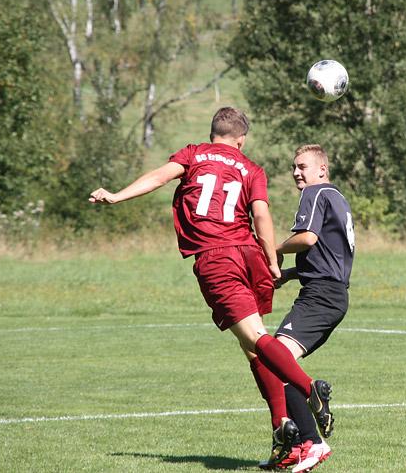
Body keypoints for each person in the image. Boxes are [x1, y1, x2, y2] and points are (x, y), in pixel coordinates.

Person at [88, 108, 333, 464]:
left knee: (255, 338)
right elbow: (260, 214)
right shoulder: (251, 169)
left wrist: (116, 196)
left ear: (212, 132)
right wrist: (270, 259)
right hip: (248, 254)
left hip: (217, 257)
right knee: (253, 349)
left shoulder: (194, 154)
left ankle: (310, 389)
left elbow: (158, 178)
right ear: (241, 139)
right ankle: (283, 431)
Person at [260, 144, 355, 473]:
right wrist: (289, 274)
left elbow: (308, 238)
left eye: (303, 166)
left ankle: (311, 442)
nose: (296, 172)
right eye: (294, 167)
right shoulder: (338, 198)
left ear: (322, 169)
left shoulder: (315, 193)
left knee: (276, 359)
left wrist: (275, 248)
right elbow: (328, 256)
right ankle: (297, 446)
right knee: (278, 361)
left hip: (321, 295)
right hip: (332, 294)